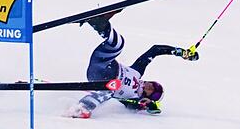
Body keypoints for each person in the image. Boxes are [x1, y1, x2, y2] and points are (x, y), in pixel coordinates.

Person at [67, 10, 199, 119]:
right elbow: (155, 49)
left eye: (152, 92)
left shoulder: (133, 99)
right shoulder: (137, 71)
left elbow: (146, 109)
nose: (150, 87)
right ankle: (98, 22)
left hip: (100, 80)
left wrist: (149, 106)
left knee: (110, 90)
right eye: (154, 85)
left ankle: (81, 108)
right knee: (118, 45)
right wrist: (181, 52)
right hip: (103, 64)